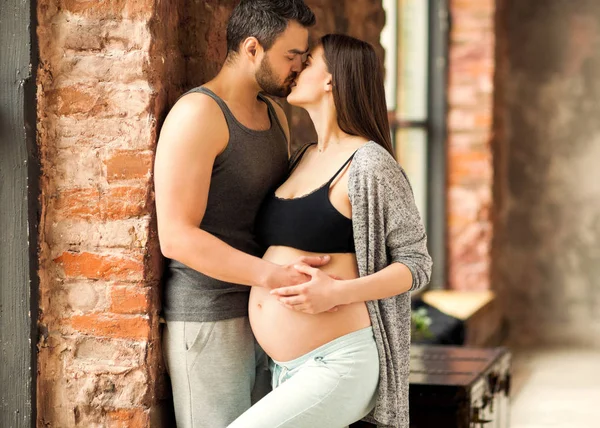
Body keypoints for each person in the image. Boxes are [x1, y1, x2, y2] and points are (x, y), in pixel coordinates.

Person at [228, 34, 433, 428]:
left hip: (339, 363)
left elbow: (416, 264)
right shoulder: (302, 156)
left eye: (307, 62)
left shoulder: (369, 164)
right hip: (285, 368)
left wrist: (336, 292)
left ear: (331, 79)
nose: (295, 70)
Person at [153, 1, 330, 427]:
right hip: (210, 318)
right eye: (291, 56)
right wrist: (274, 277)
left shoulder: (277, 116)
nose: (299, 68)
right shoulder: (198, 114)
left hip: (266, 313)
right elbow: (176, 237)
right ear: (253, 49)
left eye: (304, 59)